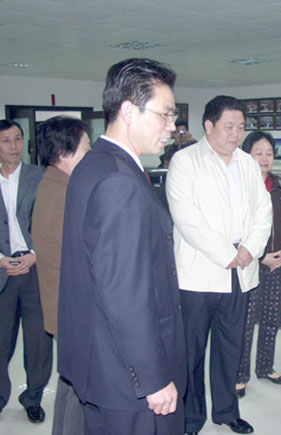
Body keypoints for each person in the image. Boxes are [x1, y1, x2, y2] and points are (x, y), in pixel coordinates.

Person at [57, 58, 187, 435]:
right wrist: (153, 378)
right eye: (165, 114)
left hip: (103, 366)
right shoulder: (119, 181)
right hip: (128, 379)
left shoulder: (94, 164)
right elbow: (124, 294)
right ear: (129, 111)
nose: (172, 126)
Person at [166, 95, 272, 435]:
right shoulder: (185, 161)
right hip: (198, 274)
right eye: (229, 126)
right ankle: (191, 418)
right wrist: (228, 253)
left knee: (231, 347)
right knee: (192, 352)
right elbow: (187, 218)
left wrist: (249, 249)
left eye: (241, 127)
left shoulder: (247, 163)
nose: (235, 134)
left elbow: (263, 211)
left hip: (240, 272)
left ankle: (226, 411)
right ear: (209, 126)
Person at [31, 115, 91, 434]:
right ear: (65, 153)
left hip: (63, 308)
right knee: (81, 387)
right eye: (86, 147)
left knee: (70, 382)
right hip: (74, 309)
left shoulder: (52, 183)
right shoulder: (66, 194)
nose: (90, 154)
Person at [235, 131, 281, 397]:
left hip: (277, 264)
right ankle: (240, 375)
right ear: (246, 155)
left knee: (272, 319)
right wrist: (260, 256)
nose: (264, 158)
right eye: (258, 153)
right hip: (250, 263)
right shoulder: (239, 186)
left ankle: (265, 367)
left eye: (269, 153)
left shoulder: (280, 185)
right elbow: (236, 229)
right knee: (246, 322)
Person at [0, 119, 53, 424]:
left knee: (38, 343)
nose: (14, 146)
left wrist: (35, 255)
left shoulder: (39, 177)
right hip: (3, 273)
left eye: (18, 139)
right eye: (6, 141)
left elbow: (53, 224)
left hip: (34, 271)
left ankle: (32, 398)